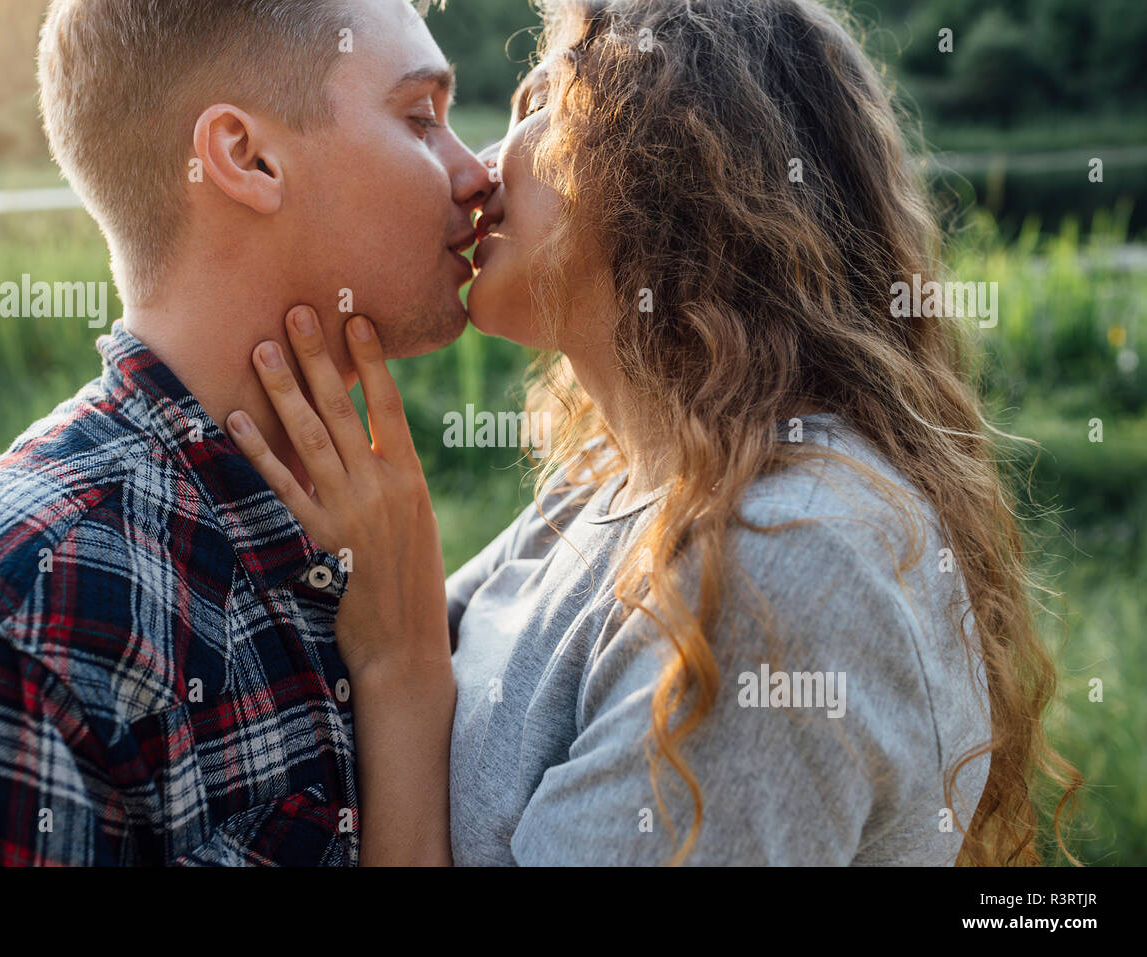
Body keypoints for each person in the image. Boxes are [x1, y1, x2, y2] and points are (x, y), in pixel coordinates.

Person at [229, 0, 1080, 865]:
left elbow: (404, 658)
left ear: (668, 155)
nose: (481, 171)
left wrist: (398, 668)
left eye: (538, 104)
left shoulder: (784, 558)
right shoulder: (607, 489)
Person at [0, 0, 492, 865]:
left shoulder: (378, 549)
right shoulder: (8, 636)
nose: (476, 171)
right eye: (420, 119)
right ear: (246, 157)